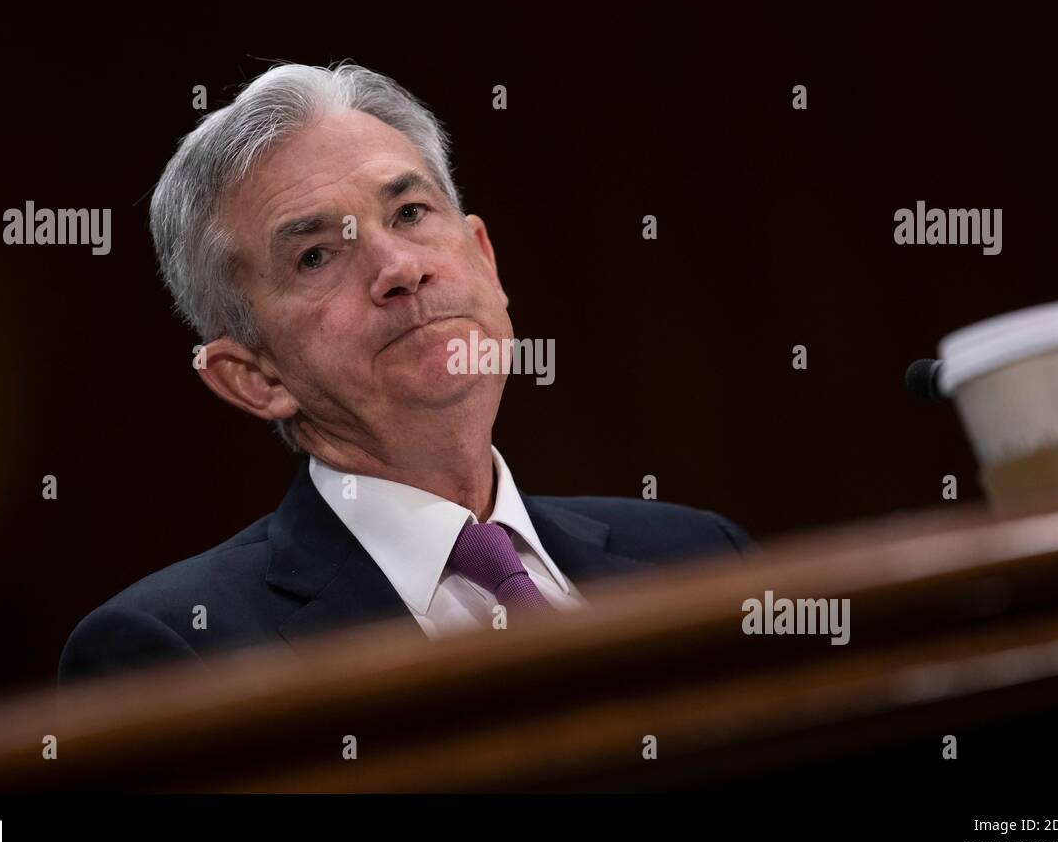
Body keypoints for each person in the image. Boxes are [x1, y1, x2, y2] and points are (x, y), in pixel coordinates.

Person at [58, 60, 752, 684]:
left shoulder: (697, 557)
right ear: (253, 376)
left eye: (410, 212)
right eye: (316, 256)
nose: (399, 268)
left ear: (485, 258)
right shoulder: (179, 649)